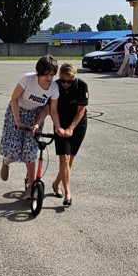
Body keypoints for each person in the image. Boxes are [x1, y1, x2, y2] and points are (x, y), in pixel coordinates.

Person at [0, 56, 63, 196]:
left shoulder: (54, 87)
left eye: (52, 75)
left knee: (31, 151)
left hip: (35, 116)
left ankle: (30, 186)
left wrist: (57, 127)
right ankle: (6, 161)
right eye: (46, 74)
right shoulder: (27, 79)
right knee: (15, 152)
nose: (49, 78)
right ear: (39, 73)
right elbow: (14, 98)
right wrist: (17, 120)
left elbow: (52, 110)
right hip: (17, 112)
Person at [49, 62, 88, 207]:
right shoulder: (54, 86)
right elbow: (52, 110)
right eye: (63, 80)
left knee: (70, 159)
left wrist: (71, 128)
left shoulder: (82, 86)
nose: (65, 84)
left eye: (69, 81)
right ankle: (67, 193)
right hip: (60, 123)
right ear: (59, 76)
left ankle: (56, 183)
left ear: (74, 78)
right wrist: (58, 127)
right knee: (64, 158)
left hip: (78, 124)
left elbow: (81, 111)